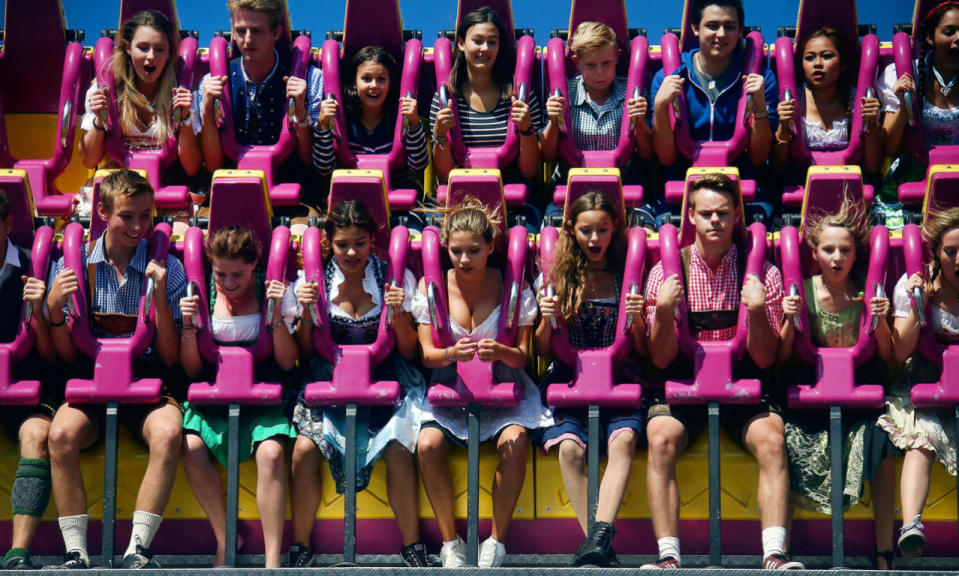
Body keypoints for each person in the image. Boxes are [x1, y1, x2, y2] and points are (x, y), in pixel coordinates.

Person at [641, 173, 801, 570]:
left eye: (724, 214)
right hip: (684, 384)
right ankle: (668, 558)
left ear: (736, 218)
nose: (715, 221)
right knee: (659, 437)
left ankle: (775, 554)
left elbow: (765, 359)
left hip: (742, 385)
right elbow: (660, 360)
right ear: (690, 216)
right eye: (706, 213)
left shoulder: (763, 272)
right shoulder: (666, 271)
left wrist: (759, 311)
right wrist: (662, 311)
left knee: (772, 439)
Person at [45, 170, 186, 569]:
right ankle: (76, 551)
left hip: (147, 382)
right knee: (60, 435)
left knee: (169, 432)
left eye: (146, 215)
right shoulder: (73, 267)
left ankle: (137, 549)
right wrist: (55, 311)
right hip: (93, 381)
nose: (139, 226)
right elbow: (63, 354)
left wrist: (158, 300)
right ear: (103, 212)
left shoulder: (168, 269)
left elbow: (172, 357)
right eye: (128, 216)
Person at [289, 200, 430, 568]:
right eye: (342, 244)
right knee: (305, 449)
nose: (351, 252)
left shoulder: (392, 277)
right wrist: (306, 313)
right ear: (328, 244)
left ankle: (412, 545)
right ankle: (301, 544)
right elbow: (303, 352)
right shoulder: (313, 280)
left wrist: (397, 314)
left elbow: (409, 351)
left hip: (384, 377)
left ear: (373, 242)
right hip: (328, 380)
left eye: (360, 243)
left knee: (399, 449)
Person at [413, 197, 552, 568]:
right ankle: (449, 542)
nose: (464, 260)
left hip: (504, 385)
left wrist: (501, 352)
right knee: (426, 445)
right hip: (451, 387)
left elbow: (523, 354)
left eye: (474, 250)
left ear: (491, 246)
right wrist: (450, 355)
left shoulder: (511, 288)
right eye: (456, 251)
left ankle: (496, 540)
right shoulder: (433, 287)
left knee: (516, 440)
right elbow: (427, 354)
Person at [776, 200, 899, 569]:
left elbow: (889, 356)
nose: (836, 258)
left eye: (844, 250)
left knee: (884, 441)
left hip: (856, 395)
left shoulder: (866, 293)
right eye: (828, 250)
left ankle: (883, 551)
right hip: (811, 395)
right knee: (784, 439)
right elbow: (782, 358)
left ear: (855, 254)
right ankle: (783, 550)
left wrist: (882, 321)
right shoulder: (804, 292)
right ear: (814, 253)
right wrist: (788, 321)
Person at [533, 191, 645, 567]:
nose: (594, 239)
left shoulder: (623, 275)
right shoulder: (559, 277)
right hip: (570, 377)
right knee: (569, 449)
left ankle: (597, 540)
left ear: (615, 229)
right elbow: (542, 347)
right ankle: (598, 543)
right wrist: (547, 318)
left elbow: (641, 348)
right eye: (586, 231)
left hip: (617, 376)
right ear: (571, 231)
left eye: (602, 230)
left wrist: (639, 318)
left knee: (624, 439)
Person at [178, 225, 298, 568]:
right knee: (191, 447)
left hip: (262, 393)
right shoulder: (200, 294)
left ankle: (273, 560)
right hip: (216, 394)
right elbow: (190, 369)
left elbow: (288, 361)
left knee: (272, 453)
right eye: (220, 274)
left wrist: (275, 314)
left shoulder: (270, 290)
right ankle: (226, 536)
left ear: (255, 265)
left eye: (238, 275)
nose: (229, 284)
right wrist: (188, 326)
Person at [650, 0, 778, 224]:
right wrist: (661, 107)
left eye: (729, 27)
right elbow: (666, 157)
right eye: (712, 25)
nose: (721, 34)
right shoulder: (667, 77)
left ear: (740, 32)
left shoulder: (760, 78)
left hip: (743, 191)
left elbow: (759, 157)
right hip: (682, 191)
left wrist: (759, 106)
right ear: (695, 28)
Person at [880, 207, 959, 561]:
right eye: (951, 252)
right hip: (924, 381)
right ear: (937, 253)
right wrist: (917, 306)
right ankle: (911, 525)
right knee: (922, 437)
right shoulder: (917, 284)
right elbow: (900, 351)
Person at [194, 0, 322, 189]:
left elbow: (308, 162)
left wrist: (301, 112)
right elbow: (214, 166)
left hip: (293, 189)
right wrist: (207, 108)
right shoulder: (211, 81)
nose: (247, 40)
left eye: (256, 31)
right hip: (231, 185)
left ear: (276, 33)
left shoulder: (309, 78)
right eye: (240, 31)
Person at [0, 189, 60, 569]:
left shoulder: (33, 268)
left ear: (6, 224)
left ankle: (18, 553)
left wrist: (39, 312)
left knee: (38, 436)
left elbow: (52, 353)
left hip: (28, 385)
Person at [539, 22, 652, 216]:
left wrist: (639, 122)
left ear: (617, 56)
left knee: (646, 224)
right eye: (591, 65)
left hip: (624, 184)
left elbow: (648, 153)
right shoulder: (563, 92)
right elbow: (547, 154)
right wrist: (553, 122)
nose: (600, 72)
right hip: (571, 186)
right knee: (552, 225)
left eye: (606, 63)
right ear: (576, 62)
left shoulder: (633, 92)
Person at [429, 7, 543, 191]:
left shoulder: (521, 97)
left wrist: (527, 129)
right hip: (463, 198)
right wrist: (440, 134)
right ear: (461, 44)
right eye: (477, 41)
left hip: (513, 198)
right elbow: (444, 174)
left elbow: (529, 172)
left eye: (492, 42)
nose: (485, 48)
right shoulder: (444, 98)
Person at [79, 10, 201, 177]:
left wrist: (185, 118)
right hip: (120, 183)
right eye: (143, 48)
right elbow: (88, 160)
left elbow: (192, 167)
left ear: (169, 53)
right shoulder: (106, 89)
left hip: (167, 180)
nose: (150, 57)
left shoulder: (181, 92)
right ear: (128, 48)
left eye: (159, 49)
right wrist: (100, 120)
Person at [877, 1, 959, 224]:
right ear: (931, 38)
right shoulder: (903, 72)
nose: (958, 38)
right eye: (949, 32)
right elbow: (888, 147)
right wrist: (906, 103)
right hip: (915, 171)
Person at [311, 46, 428, 196]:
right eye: (366, 79)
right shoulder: (342, 119)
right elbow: (323, 167)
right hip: (350, 199)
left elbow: (418, 165)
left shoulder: (400, 118)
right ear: (354, 83)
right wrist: (322, 126)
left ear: (390, 83)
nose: (374, 85)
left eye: (381, 79)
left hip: (397, 199)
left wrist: (414, 123)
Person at [773, 27, 883, 176]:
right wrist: (784, 128)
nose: (817, 63)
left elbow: (874, 167)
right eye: (810, 58)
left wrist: (871, 125)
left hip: (850, 181)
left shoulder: (859, 100)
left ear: (842, 64)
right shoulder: (792, 101)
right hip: (802, 182)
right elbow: (778, 169)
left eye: (826, 56)